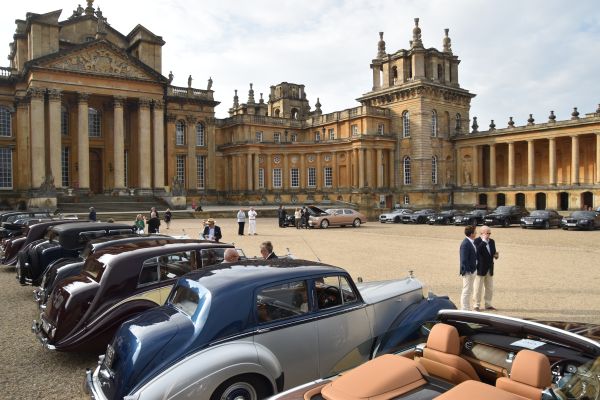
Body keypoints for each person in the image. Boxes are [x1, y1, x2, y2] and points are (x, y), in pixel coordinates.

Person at [473, 225, 499, 311]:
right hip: (480, 268)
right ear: (481, 233)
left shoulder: (492, 241)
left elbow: (493, 252)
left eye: (489, 233)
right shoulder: (476, 241)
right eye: (487, 233)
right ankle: (476, 305)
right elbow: (478, 251)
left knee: (489, 288)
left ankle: (488, 304)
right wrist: (484, 241)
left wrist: (495, 255)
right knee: (478, 288)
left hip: (489, 268)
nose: (488, 235)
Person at [459, 225, 478, 311]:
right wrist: (468, 271)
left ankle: (467, 307)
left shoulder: (471, 242)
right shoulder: (465, 244)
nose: (476, 233)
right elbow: (464, 259)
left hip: (472, 270)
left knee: (469, 290)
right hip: (468, 271)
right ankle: (464, 308)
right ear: (471, 234)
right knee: (466, 290)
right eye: (475, 232)